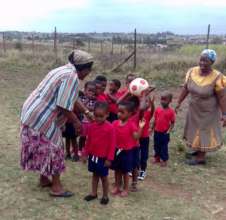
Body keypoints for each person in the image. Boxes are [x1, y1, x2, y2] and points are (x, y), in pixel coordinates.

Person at [20, 50, 94, 197]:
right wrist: (77, 122)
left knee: (44, 147)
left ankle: (43, 178)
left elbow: (71, 96)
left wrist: (86, 112)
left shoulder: (63, 70)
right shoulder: (71, 77)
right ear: (84, 69)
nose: (89, 73)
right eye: (89, 70)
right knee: (55, 149)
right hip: (42, 116)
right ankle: (56, 187)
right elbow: (62, 105)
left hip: (32, 111)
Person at [175, 49, 226, 165]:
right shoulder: (192, 71)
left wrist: (224, 114)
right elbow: (185, 88)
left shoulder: (217, 77)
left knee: (204, 131)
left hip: (208, 111)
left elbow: (222, 97)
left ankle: (201, 158)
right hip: (194, 108)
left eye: (206, 61)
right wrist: (178, 102)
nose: (202, 63)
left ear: (212, 62)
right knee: (194, 129)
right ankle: (198, 151)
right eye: (201, 60)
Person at [82, 102, 116, 205]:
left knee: (104, 177)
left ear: (107, 114)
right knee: (95, 175)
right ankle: (93, 193)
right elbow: (88, 141)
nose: (98, 118)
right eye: (96, 116)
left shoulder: (110, 128)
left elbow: (112, 144)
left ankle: (105, 196)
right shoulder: (91, 126)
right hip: (93, 156)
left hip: (103, 158)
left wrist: (109, 158)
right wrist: (85, 154)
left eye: (101, 116)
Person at [111, 101, 145, 197]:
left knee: (125, 171)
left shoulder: (131, 125)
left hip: (127, 151)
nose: (119, 114)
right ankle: (117, 186)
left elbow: (136, 137)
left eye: (122, 112)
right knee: (117, 169)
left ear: (129, 114)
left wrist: (141, 127)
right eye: (118, 111)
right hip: (117, 150)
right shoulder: (114, 123)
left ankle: (126, 188)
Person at [152, 92, 175, 167]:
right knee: (156, 145)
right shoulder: (158, 109)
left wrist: (169, 131)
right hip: (157, 131)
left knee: (164, 147)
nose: (162, 101)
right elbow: (155, 120)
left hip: (165, 133)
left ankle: (164, 159)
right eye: (161, 99)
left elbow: (172, 122)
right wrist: (152, 128)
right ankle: (157, 157)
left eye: (165, 100)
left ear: (170, 101)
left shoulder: (171, 111)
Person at [138, 96, 155, 180]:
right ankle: (135, 168)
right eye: (144, 101)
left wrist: (152, 103)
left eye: (147, 102)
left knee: (144, 155)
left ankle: (143, 170)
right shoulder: (137, 113)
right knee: (136, 153)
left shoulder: (148, 113)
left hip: (145, 137)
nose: (145, 103)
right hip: (137, 137)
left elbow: (152, 110)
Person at [78, 81, 97, 155]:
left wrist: (86, 107)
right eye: (89, 90)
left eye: (93, 91)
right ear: (85, 90)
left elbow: (93, 108)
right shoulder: (81, 98)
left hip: (91, 122)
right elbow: (80, 106)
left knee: (90, 138)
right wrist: (88, 100)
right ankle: (80, 150)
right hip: (83, 121)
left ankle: (88, 150)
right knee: (82, 137)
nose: (91, 92)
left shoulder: (95, 100)